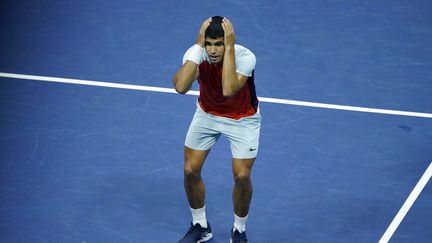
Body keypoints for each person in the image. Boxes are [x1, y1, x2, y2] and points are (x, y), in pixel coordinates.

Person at [173, 16, 261, 243]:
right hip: (207, 115)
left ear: (228, 42)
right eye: (209, 43)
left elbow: (229, 89)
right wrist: (196, 46)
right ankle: (200, 225)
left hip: (243, 119)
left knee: (242, 175)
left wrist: (229, 49)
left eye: (218, 44)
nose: (212, 50)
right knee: (190, 171)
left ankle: (239, 230)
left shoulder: (245, 57)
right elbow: (181, 87)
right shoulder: (197, 53)